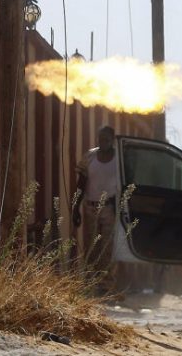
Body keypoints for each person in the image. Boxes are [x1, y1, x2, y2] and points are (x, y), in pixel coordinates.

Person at [72, 125, 118, 292]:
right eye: (100, 138)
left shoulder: (118, 159)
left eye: (106, 139)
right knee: (91, 247)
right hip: (90, 208)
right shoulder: (89, 157)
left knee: (107, 247)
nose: (102, 142)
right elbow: (81, 184)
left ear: (112, 140)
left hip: (109, 209)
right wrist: (75, 207)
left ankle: (106, 286)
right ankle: (90, 284)